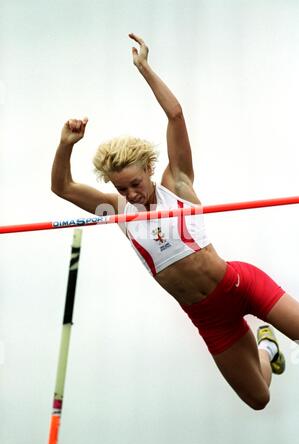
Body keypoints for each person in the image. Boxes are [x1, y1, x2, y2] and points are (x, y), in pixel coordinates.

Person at [51, 33, 299, 410]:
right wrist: (66, 143)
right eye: (123, 187)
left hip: (238, 284)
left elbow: (176, 115)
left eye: (135, 183)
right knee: (259, 398)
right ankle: (266, 347)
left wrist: (145, 69)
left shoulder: (177, 184)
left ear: (149, 170)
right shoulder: (117, 211)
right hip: (208, 317)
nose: (132, 194)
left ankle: (267, 335)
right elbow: (63, 187)